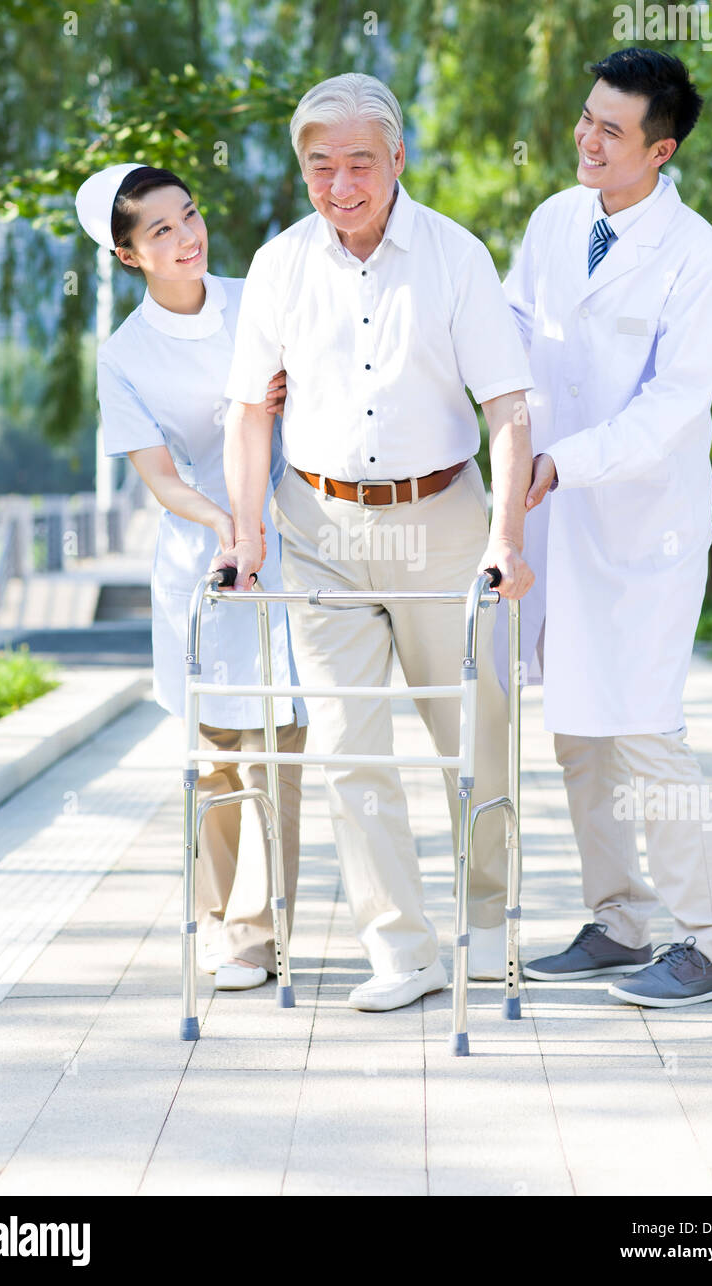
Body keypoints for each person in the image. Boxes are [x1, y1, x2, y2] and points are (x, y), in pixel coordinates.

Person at [219, 72, 534, 1013]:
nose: (341, 183)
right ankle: (401, 949)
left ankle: (486, 925)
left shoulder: (455, 256)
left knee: (475, 733)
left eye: (361, 161)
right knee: (350, 746)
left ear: (398, 159)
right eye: (321, 165)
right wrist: (245, 537)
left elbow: (509, 410)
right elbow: (246, 413)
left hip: (442, 521)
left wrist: (505, 539)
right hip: (319, 527)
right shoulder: (279, 265)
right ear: (301, 169)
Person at [502, 47, 712, 1007]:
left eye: (612, 130)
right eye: (586, 117)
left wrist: (563, 464)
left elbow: (673, 407)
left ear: (661, 149)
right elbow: (512, 338)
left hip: (644, 525)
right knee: (578, 730)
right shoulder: (555, 221)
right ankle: (619, 920)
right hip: (559, 512)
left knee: (643, 729)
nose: (586, 139)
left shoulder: (696, 256)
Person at [75, 162, 307, 992]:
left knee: (276, 749)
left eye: (191, 214)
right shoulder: (124, 355)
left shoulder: (257, 302)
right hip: (201, 563)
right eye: (161, 231)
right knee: (214, 757)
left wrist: (263, 513)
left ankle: (257, 930)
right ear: (129, 255)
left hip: (286, 544)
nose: (187, 237)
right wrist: (222, 527)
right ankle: (218, 919)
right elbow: (162, 476)